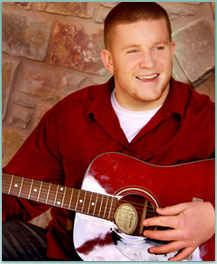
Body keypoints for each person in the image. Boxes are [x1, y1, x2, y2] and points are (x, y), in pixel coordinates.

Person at [2, 2, 215, 261]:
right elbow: (13, 196)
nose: (149, 63)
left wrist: (212, 216)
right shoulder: (69, 116)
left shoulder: (206, 119)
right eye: (133, 51)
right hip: (70, 255)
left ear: (171, 51)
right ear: (109, 61)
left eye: (158, 48)